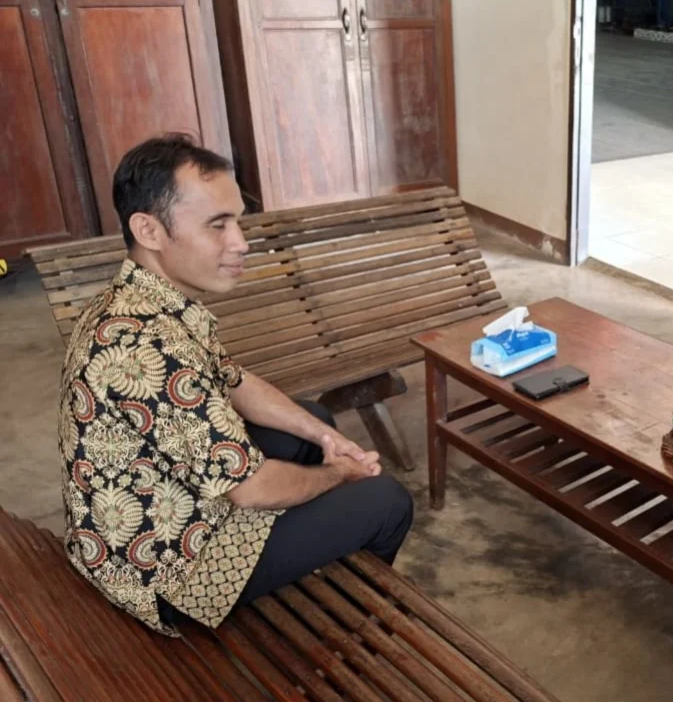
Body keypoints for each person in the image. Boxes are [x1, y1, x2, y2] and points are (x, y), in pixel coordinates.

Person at [58, 134, 414, 635]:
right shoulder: (143, 345)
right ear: (149, 230)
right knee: (385, 501)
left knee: (312, 421)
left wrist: (325, 438)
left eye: (238, 222)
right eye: (217, 225)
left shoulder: (145, 301)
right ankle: (351, 635)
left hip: (166, 508)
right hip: (163, 577)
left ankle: (314, 568)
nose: (241, 243)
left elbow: (235, 381)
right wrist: (339, 474)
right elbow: (250, 489)